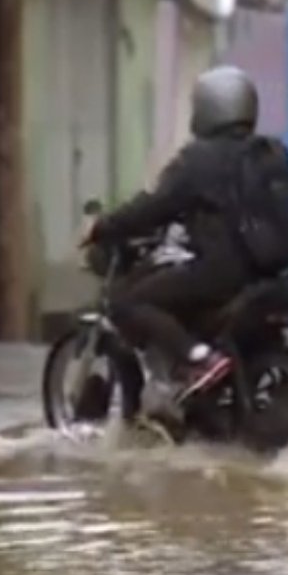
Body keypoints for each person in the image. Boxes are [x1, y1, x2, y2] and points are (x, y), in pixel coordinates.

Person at [84, 66, 265, 399]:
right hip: (267, 272)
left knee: (128, 301)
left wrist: (106, 226)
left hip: (220, 273)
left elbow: (154, 205)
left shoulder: (198, 159)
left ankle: (198, 358)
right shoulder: (270, 154)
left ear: (207, 109)